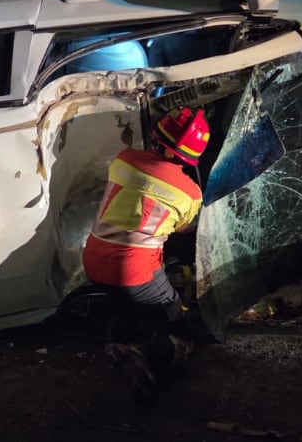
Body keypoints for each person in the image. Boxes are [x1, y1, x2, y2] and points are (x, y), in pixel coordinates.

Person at [81, 106, 209, 405]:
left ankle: (119, 341)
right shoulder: (191, 194)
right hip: (134, 270)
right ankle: (144, 356)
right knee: (174, 317)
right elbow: (182, 228)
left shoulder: (124, 160)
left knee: (125, 304)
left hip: (93, 259)